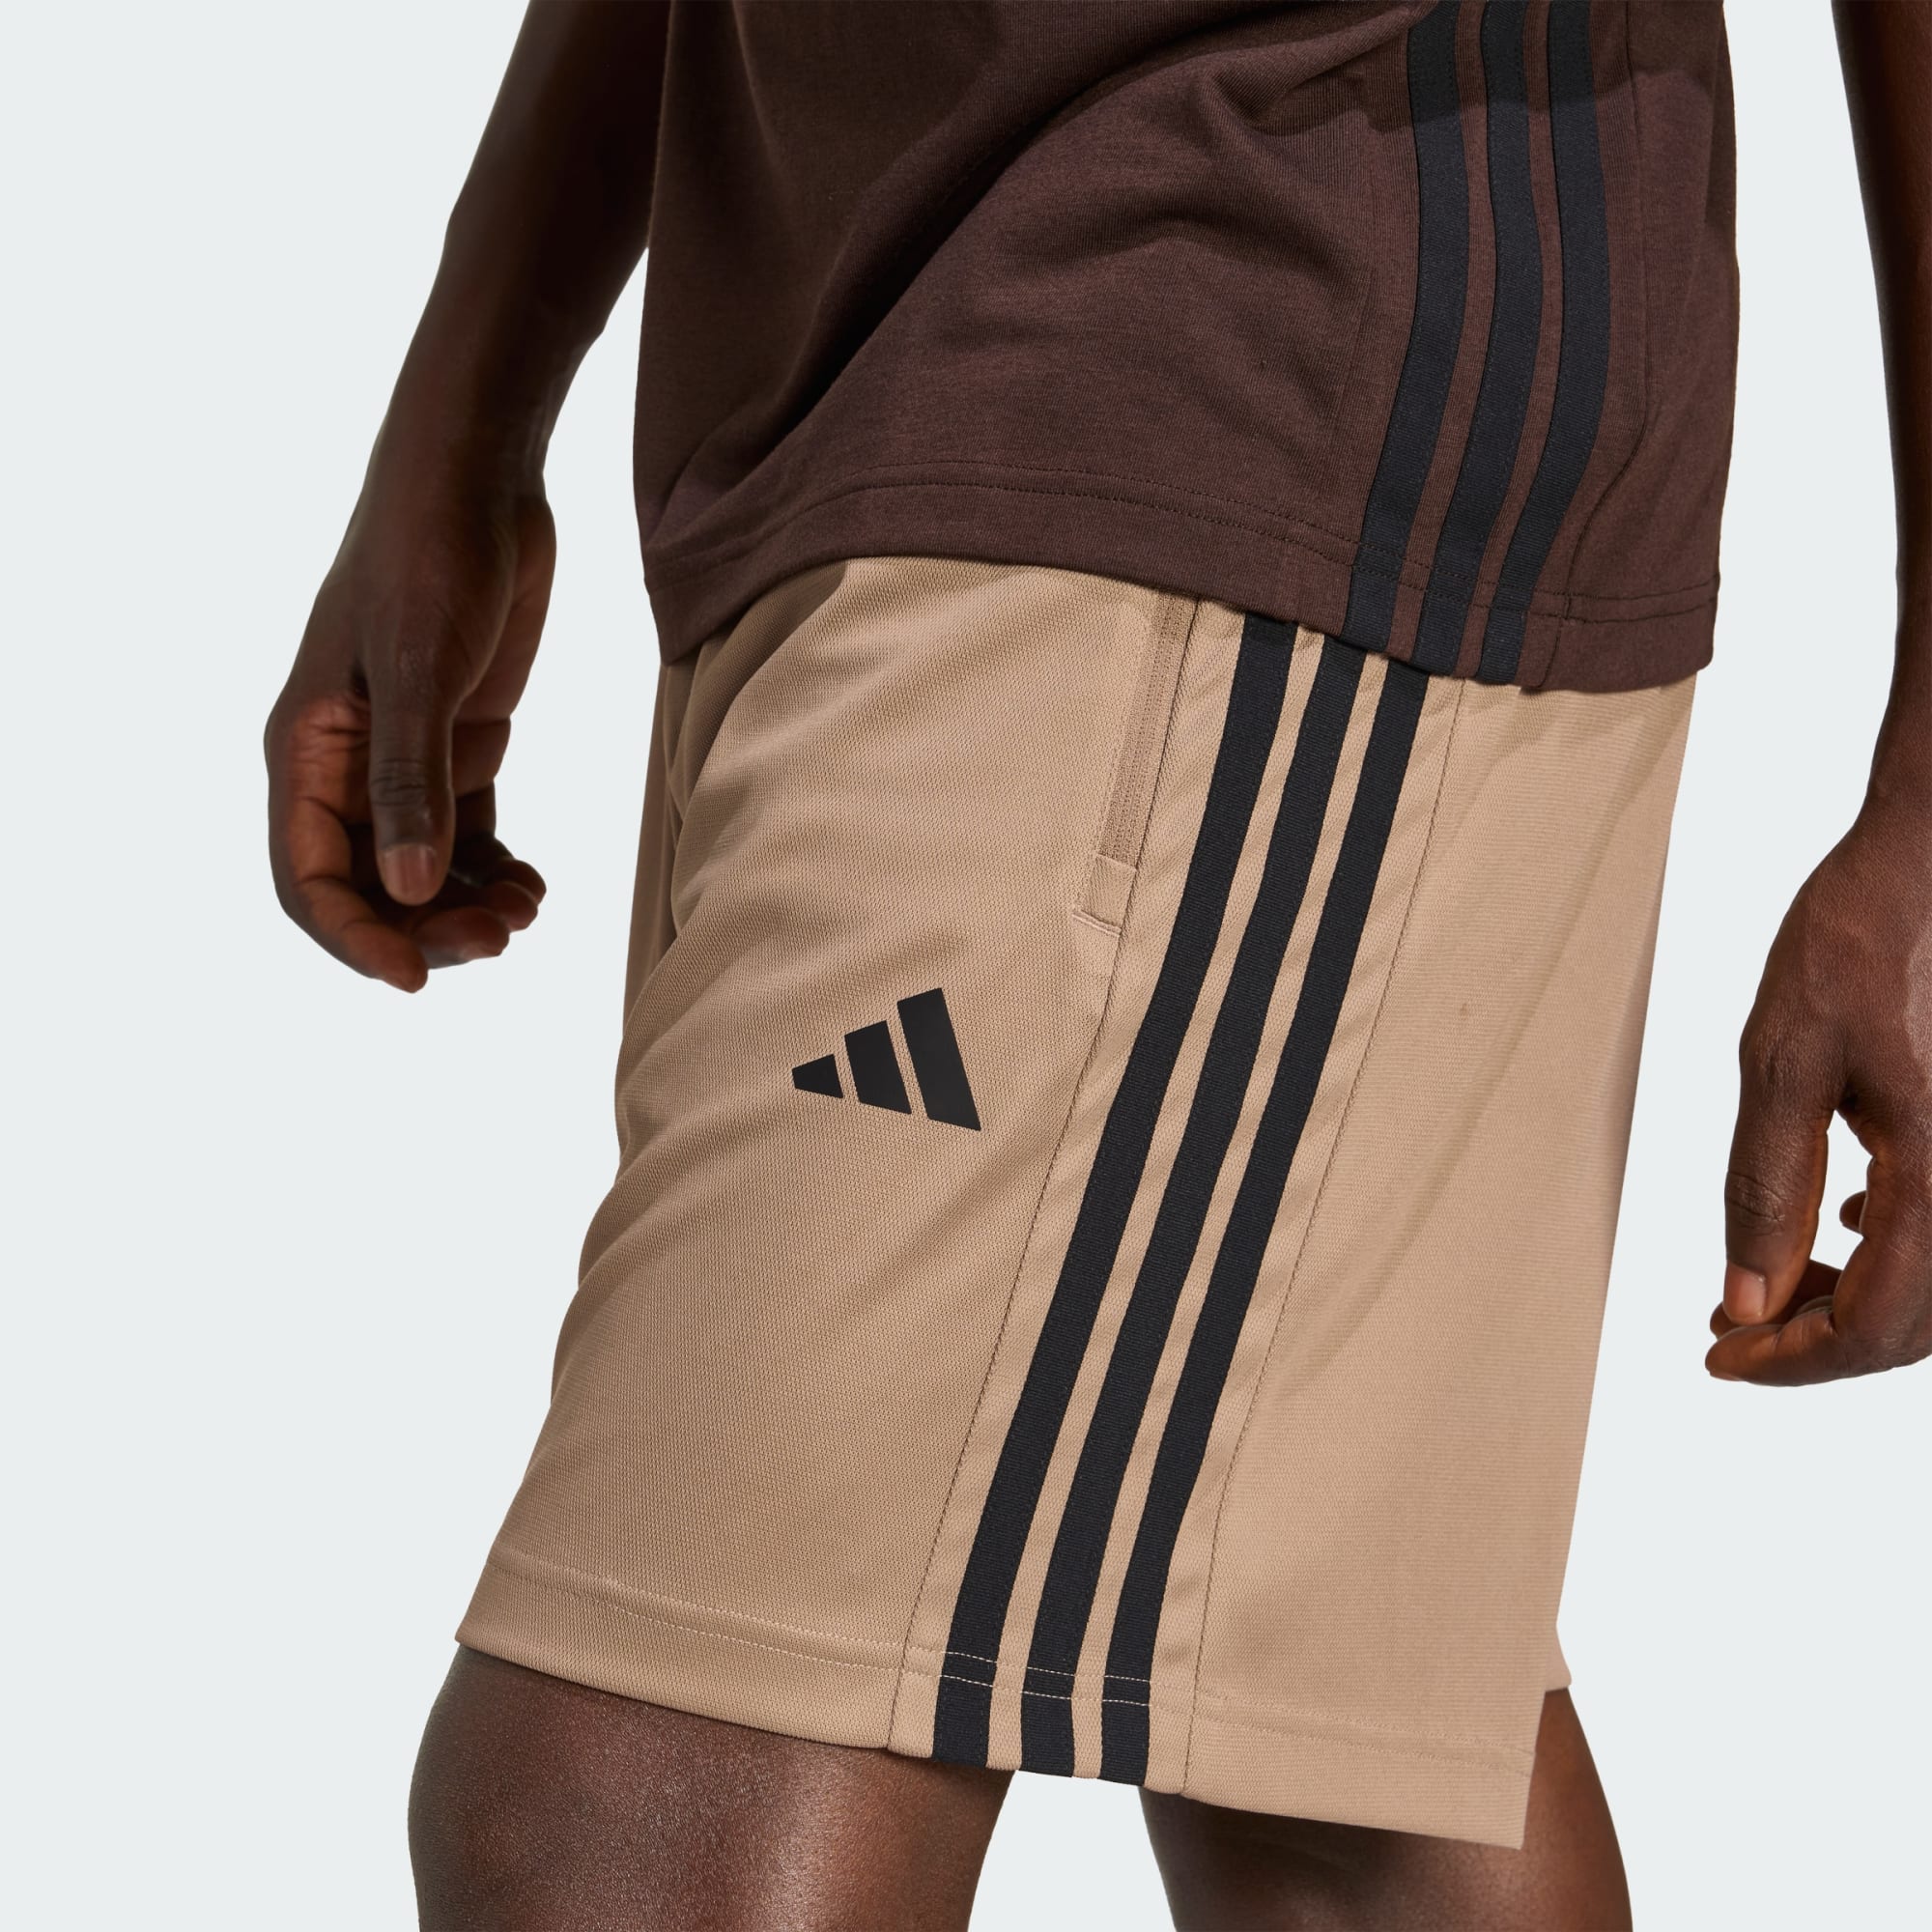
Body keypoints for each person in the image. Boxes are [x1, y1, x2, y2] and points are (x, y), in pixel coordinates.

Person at [264, 3, 1932, 1925]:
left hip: (1263, 325)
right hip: (850, 381)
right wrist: (466, 412)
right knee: (1318, 1797)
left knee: (629, 1823)